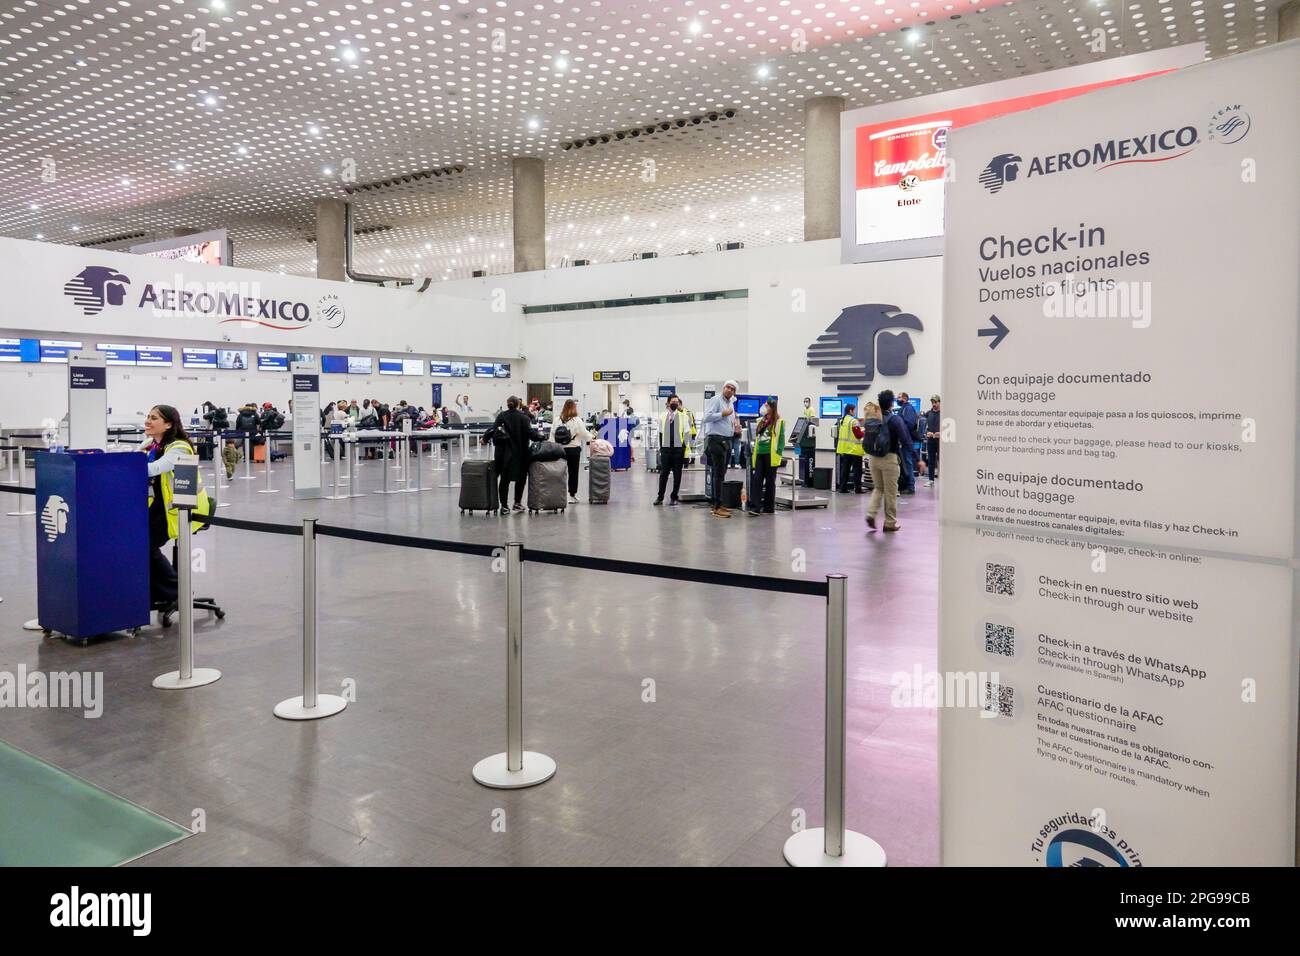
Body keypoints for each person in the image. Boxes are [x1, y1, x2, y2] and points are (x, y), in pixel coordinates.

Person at [141, 405, 213, 604]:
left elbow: (156, 468)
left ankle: (176, 593)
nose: (148, 421)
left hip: (181, 509)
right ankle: (162, 592)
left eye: (154, 418)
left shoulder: (179, 446)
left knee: (145, 546)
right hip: (159, 506)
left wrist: (126, 463)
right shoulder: (152, 445)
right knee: (137, 544)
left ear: (168, 424)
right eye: (148, 416)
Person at [865, 391, 910, 533]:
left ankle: (871, 514)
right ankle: (890, 522)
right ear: (891, 403)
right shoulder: (894, 419)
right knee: (891, 492)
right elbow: (905, 439)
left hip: (873, 458)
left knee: (878, 488)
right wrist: (916, 458)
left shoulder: (874, 418)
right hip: (889, 458)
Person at [482, 396, 532, 513]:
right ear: (518, 404)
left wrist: (484, 438)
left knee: (504, 480)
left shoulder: (502, 416)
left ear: (507, 404)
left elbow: (493, 429)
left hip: (503, 454)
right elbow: (530, 433)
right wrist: (541, 438)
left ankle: (504, 506)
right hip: (520, 454)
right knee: (521, 479)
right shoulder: (524, 418)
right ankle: (517, 503)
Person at [701, 380, 739, 518]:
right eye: (727, 387)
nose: (729, 390)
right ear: (724, 388)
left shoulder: (730, 404)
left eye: (732, 389)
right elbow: (706, 418)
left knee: (722, 474)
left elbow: (729, 419)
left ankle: (719, 503)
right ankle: (716, 507)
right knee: (718, 474)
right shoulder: (716, 400)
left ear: (734, 392)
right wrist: (723, 413)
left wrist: (735, 427)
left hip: (727, 441)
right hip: (716, 440)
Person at [747, 397, 786, 516]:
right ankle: (755, 507)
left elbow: (781, 440)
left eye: (766, 405)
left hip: (771, 455)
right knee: (757, 480)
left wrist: (778, 453)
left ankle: (769, 507)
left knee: (770, 482)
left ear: (771, 407)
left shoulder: (779, 422)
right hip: (759, 454)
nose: (764, 408)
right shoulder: (761, 420)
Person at [550, 399, 591, 503]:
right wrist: (592, 437)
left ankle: (558, 495)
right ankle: (572, 496)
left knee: (559, 473)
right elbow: (584, 434)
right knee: (573, 473)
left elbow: (552, 435)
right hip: (573, 450)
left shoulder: (557, 419)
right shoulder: (577, 420)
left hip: (559, 450)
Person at [654, 394, 691, 506]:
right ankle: (660, 497)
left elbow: (686, 437)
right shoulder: (662, 416)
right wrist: (660, 450)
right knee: (663, 475)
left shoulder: (684, 417)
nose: (675, 404)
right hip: (666, 450)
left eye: (677, 402)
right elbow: (660, 434)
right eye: (673, 402)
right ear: (668, 403)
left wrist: (686, 455)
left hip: (678, 450)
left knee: (677, 476)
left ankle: (674, 497)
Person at [835, 402, 865, 494]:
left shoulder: (842, 420)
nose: (855, 412)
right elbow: (858, 435)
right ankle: (858, 488)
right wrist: (865, 431)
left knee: (845, 469)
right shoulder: (853, 421)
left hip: (845, 449)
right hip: (854, 449)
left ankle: (842, 488)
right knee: (857, 470)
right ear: (850, 410)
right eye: (854, 410)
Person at [896, 392, 919, 495]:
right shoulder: (903, 408)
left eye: (899, 397)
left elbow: (909, 423)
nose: (897, 399)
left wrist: (900, 431)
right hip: (903, 439)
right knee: (905, 462)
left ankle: (910, 486)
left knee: (908, 462)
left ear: (905, 399)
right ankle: (906, 484)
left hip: (907, 439)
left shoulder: (908, 408)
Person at [796, 397, 817, 486]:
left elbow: (812, 421)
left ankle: (808, 480)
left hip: (808, 437)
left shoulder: (811, 410)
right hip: (804, 436)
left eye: (807, 401)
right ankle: (803, 478)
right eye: (804, 401)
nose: (805, 403)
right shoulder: (805, 410)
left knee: (808, 460)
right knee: (802, 457)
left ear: (810, 402)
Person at [925, 394, 941, 486]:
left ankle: (943, 480)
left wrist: (941, 434)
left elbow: (948, 427)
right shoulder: (928, 413)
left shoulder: (944, 413)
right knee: (931, 460)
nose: (934, 404)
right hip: (931, 441)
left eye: (935, 402)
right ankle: (931, 480)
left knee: (941, 461)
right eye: (932, 402)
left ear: (939, 402)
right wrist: (927, 433)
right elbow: (925, 427)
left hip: (940, 442)